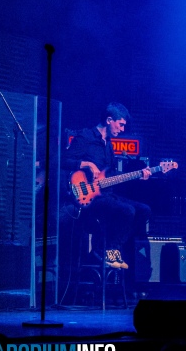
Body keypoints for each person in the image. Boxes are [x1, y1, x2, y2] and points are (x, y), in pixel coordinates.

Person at [62, 102, 153, 276]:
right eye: (121, 124)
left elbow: (110, 177)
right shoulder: (86, 137)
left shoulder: (109, 145)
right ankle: (106, 249)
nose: (122, 128)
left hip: (106, 195)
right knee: (127, 211)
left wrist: (138, 175)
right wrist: (86, 163)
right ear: (109, 120)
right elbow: (62, 160)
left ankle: (109, 249)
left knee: (144, 211)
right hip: (88, 199)